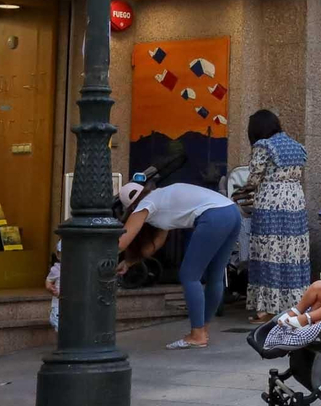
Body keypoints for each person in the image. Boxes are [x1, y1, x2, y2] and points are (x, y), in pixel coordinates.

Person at [119, 179, 242, 349]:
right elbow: (154, 246)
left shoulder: (145, 205)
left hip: (214, 216)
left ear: (131, 207)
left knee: (189, 276)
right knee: (216, 275)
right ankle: (203, 331)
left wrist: (98, 255)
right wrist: (130, 262)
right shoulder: (160, 198)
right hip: (232, 212)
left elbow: (122, 241)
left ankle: (197, 334)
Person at [236, 109, 309, 324]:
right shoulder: (296, 145)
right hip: (295, 203)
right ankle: (294, 307)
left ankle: (266, 310)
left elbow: (254, 177)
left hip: (271, 204)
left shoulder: (263, 146)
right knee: (292, 254)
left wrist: (243, 190)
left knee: (269, 254)